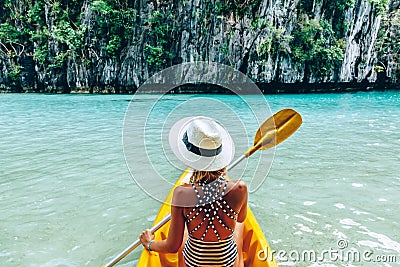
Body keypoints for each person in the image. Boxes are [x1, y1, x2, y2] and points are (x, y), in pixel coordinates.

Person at [140, 116, 248, 267]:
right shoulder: (240, 188)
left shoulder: (182, 194)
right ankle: (240, 261)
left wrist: (149, 243)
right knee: (240, 229)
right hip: (227, 262)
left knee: (184, 238)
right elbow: (241, 218)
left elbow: (172, 246)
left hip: (194, 263)